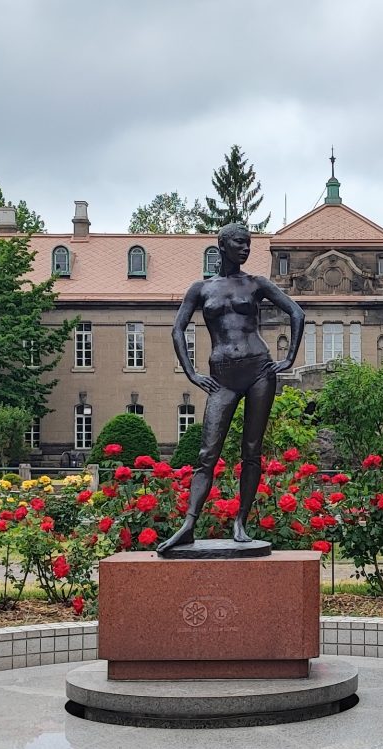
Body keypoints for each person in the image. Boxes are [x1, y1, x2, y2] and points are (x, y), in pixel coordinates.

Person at [155, 224, 306, 555]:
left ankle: (241, 521)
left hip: (259, 370)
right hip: (222, 376)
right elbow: (178, 330)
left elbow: (297, 313)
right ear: (222, 245)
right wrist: (192, 373)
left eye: (248, 243)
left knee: (251, 450)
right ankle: (189, 524)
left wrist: (288, 358)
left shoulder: (256, 284)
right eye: (239, 243)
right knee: (207, 453)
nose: (245, 248)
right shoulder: (201, 289)